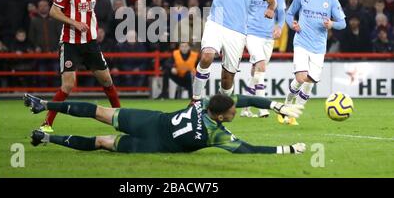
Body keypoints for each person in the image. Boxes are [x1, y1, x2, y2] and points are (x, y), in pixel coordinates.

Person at [24, 93, 306, 155]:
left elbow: (242, 100)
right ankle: (44, 137)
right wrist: (289, 150)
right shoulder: (215, 135)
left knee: (100, 111)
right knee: (101, 142)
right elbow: (250, 150)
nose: (236, 109)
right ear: (221, 116)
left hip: (150, 120)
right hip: (154, 144)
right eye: (233, 111)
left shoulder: (203, 102)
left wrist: (275, 105)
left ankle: (43, 104)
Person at [172, 0, 277, 102]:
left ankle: (223, 103)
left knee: (227, 79)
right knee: (206, 56)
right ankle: (196, 99)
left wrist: (271, 8)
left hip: (238, 31)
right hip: (216, 23)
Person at [42, 0, 121, 133]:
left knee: (107, 81)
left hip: (90, 43)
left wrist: (93, 27)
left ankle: (121, 117)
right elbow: (53, 12)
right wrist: (74, 22)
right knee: (68, 85)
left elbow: (89, 12)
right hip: (70, 43)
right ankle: (47, 124)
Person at [282, 0, 346, 125]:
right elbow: (289, 14)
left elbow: (342, 23)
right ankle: (287, 106)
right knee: (301, 77)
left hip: (319, 47)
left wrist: (331, 24)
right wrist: (293, 24)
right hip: (302, 42)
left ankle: (293, 115)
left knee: (310, 81)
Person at [240, 0, 286, 118]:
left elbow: (281, 13)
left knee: (256, 71)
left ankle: (245, 107)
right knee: (261, 66)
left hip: (268, 36)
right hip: (251, 33)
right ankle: (263, 107)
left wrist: (279, 26)